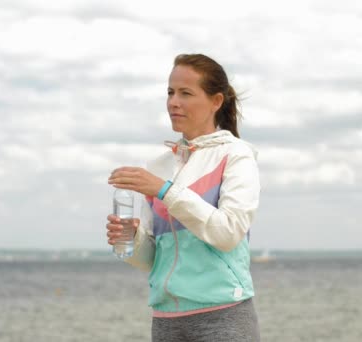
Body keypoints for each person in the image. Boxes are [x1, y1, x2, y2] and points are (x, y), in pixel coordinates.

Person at [106, 53, 261, 342]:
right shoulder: (159, 167)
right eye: (170, 92)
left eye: (186, 93)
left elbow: (228, 233)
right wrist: (130, 239)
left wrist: (164, 190)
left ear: (216, 101)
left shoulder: (236, 156)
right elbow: (153, 261)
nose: (173, 102)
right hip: (166, 320)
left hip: (223, 314)